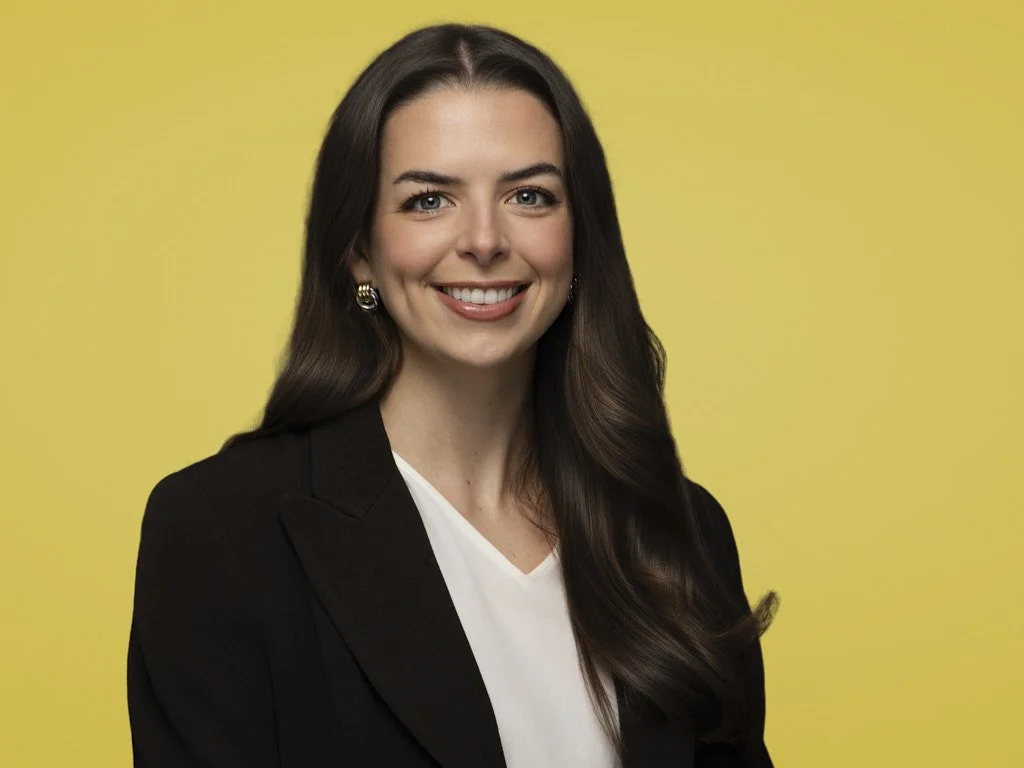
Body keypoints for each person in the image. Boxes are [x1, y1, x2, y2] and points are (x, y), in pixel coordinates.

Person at [127, 22, 778, 768]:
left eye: (530, 195)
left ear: (580, 237)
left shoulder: (679, 530)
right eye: (429, 200)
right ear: (357, 249)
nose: (483, 240)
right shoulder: (222, 531)